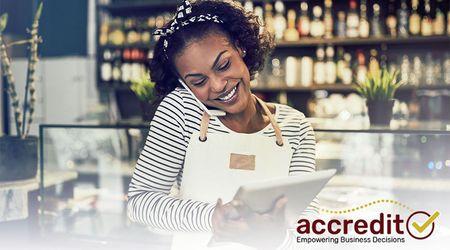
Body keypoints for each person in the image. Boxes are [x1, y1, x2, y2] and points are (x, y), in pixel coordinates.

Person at [127, 0, 317, 249]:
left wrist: (276, 237)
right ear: (184, 84)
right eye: (198, 81)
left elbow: (308, 227)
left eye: (223, 65)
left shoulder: (296, 126)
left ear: (241, 49)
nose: (217, 86)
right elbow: (140, 203)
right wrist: (212, 217)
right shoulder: (182, 111)